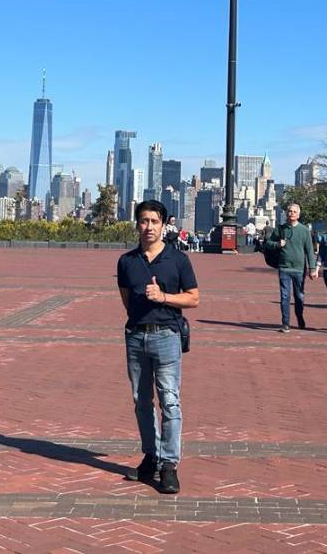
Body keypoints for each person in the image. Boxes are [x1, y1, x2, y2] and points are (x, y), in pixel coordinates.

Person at [117, 199, 199, 493]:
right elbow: (126, 299)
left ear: (164, 225)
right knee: (141, 401)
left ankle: (169, 465)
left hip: (167, 336)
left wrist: (163, 297)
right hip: (137, 337)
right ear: (136, 224)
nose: (148, 226)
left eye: (154, 221)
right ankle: (151, 456)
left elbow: (193, 298)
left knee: (170, 400)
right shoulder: (126, 261)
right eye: (143, 221)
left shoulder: (178, 259)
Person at [266, 202, 316, 332]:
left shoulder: (304, 230)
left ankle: (299, 316)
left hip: (299, 269)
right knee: (285, 296)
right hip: (284, 268)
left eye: (294, 212)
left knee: (299, 296)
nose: (291, 214)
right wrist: (278, 244)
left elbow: (310, 250)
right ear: (286, 213)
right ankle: (285, 322)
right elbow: (268, 244)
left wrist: (312, 268)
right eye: (289, 211)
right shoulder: (280, 229)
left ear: (298, 214)